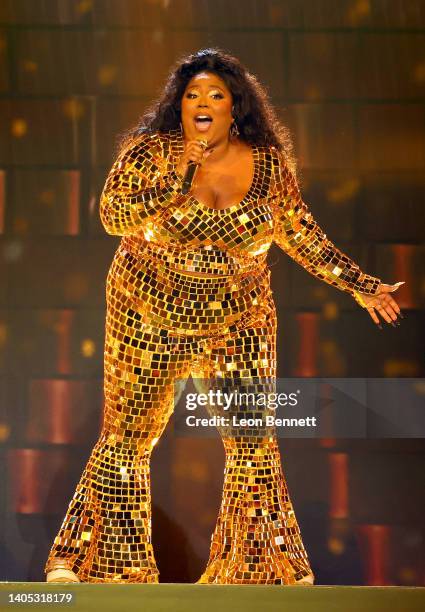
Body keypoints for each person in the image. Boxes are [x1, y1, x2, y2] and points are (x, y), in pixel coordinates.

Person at [45, 48, 403, 585]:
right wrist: (180, 174)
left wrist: (361, 285)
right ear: (180, 106)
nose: (204, 103)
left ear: (236, 106)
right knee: (127, 438)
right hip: (148, 311)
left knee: (252, 440)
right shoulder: (151, 153)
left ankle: (263, 569)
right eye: (193, 95)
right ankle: (96, 565)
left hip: (240, 318)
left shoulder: (268, 164)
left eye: (216, 94)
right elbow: (113, 216)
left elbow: (302, 235)